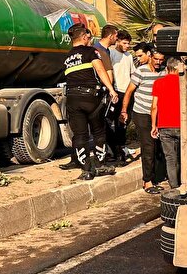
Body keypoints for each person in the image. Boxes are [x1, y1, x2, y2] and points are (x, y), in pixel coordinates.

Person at [61, 23, 117, 180]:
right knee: (98, 131)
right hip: (90, 98)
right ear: (84, 37)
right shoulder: (91, 51)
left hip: (72, 99)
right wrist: (111, 90)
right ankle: (100, 165)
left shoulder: (67, 56)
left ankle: (86, 169)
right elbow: (100, 70)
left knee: (80, 135)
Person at [120, 44, 167, 192]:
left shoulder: (164, 72)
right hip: (141, 113)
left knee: (158, 146)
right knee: (148, 146)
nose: (158, 62)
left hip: (157, 113)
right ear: (151, 57)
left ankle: (156, 177)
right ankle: (147, 181)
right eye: (156, 59)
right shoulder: (141, 71)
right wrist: (124, 111)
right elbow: (129, 92)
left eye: (161, 60)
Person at [150, 57, 182, 190]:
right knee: (183, 156)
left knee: (170, 158)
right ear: (178, 68)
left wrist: (154, 125)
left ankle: (174, 186)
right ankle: (184, 182)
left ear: (167, 68)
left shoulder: (158, 83)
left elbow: (154, 107)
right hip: (182, 126)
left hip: (164, 126)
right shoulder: (184, 83)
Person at [106, 29, 133, 163]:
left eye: (128, 43)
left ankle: (121, 149)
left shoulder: (129, 56)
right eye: (124, 43)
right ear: (117, 41)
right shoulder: (110, 53)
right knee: (110, 122)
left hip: (127, 92)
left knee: (122, 123)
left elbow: (131, 73)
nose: (127, 46)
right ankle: (112, 150)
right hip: (115, 91)